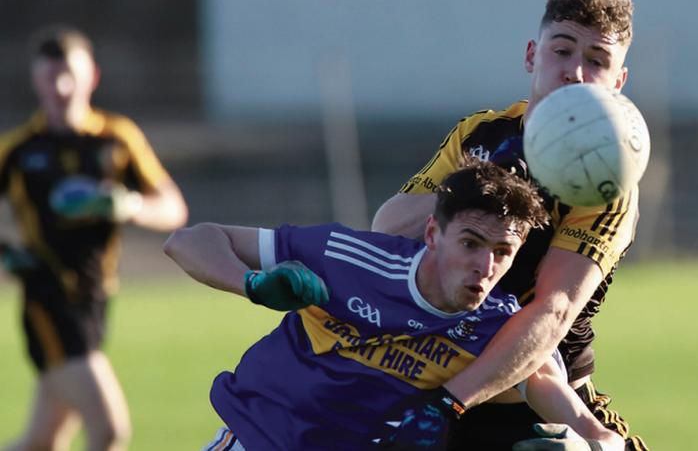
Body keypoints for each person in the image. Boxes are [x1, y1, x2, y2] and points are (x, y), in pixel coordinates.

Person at [163, 162, 624, 451]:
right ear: (431, 234)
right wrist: (254, 284)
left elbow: (546, 383)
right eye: (470, 242)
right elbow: (191, 240)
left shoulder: (496, 326)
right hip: (259, 439)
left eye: (502, 252)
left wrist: (596, 440)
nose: (484, 265)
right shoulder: (347, 257)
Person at [371, 0, 649, 450]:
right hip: (430, 371)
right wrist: (484, 176)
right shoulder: (482, 133)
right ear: (531, 56)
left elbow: (552, 311)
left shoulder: (609, 180)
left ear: (618, 82)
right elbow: (388, 227)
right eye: (562, 51)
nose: (575, 73)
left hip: (540, 402)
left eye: (597, 61)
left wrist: (448, 403)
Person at [0, 26, 188, 451]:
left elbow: (174, 207)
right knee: (109, 429)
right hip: (48, 301)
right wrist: (6, 253)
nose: (62, 87)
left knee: (41, 442)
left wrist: (128, 206)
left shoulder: (116, 137)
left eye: (71, 75)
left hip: (96, 298)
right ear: (36, 81)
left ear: (93, 77)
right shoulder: (18, 149)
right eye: (51, 77)